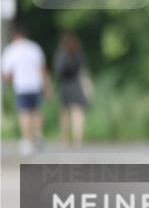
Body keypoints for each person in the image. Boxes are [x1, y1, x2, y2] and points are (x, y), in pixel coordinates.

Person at [2, 24, 51, 155]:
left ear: (14, 35)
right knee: (36, 112)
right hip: (35, 85)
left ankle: (27, 140)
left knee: (24, 114)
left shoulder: (11, 50)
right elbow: (42, 69)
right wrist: (46, 86)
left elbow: (6, 74)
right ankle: (38, 135)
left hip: (21, 86)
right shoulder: (34, 48)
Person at [54, 31, 91, 146]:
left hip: (65, 85)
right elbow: (83, 71)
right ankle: (78, 138)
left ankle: (64, 136)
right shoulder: (78, 53)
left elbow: (58, 71)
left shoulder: (61, 54)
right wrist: (88, 86)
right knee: (78, 112)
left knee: (64, 112)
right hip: (76, 85)